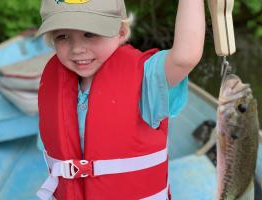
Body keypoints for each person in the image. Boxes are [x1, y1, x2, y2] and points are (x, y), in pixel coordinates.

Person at [36, 0, 205, 199]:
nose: (77, 49)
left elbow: (184, 58)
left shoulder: (146, 79)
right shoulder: (55, 83)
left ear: (121, 32)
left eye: (89, 34)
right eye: (63, 36)